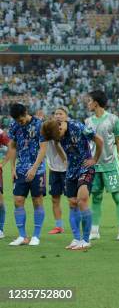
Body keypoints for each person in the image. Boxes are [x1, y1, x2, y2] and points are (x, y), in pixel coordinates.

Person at [41, 118, 103, 250]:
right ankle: (76, 239)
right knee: (72, 203)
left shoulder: (79, 127)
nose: (57, 139)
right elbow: (57, 145)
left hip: (85, 167)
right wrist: (65, 160)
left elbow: (99, 140)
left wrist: (95, 159)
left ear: (60, 126)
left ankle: (86, 240)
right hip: (71, 170)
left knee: (82, 201)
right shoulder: (54, 133)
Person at [85, 90, 119, 241]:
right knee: (96, 197)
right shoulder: (88, 122)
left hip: (110, 164)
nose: (88, 103)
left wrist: (118, 159)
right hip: (94, 166)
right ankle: (95, 230)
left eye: (89, 101)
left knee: (117, 196)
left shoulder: (113, 119)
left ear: (96, 103)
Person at [7, 103, 48, 247]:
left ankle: (36, 236)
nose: (20, 122)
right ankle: (22, 236)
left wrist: (34, 168)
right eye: (17, 120)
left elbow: (43, 148)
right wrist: (12, 168)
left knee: (37, 201)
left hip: (38, 169)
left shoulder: (39, 124)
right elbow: (12, 146)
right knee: (18, 200)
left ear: (26, 112)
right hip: (21, 169)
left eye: (21, 119)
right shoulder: (14, 126)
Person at [47, 107, 69, 235]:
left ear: (66, 116)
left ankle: (75, 223)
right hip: (54, 169)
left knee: (72, 199)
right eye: (56, 114)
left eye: (61, 114)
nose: (58, 116)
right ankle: (58, 226)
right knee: (55, 198)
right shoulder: (49, 129)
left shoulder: (71, 129)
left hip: (68, 169)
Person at [0, 126, 12, 239]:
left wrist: (2, 164)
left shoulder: (1, 133)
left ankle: (0, 229)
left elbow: (11, 146)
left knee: (0, 203)